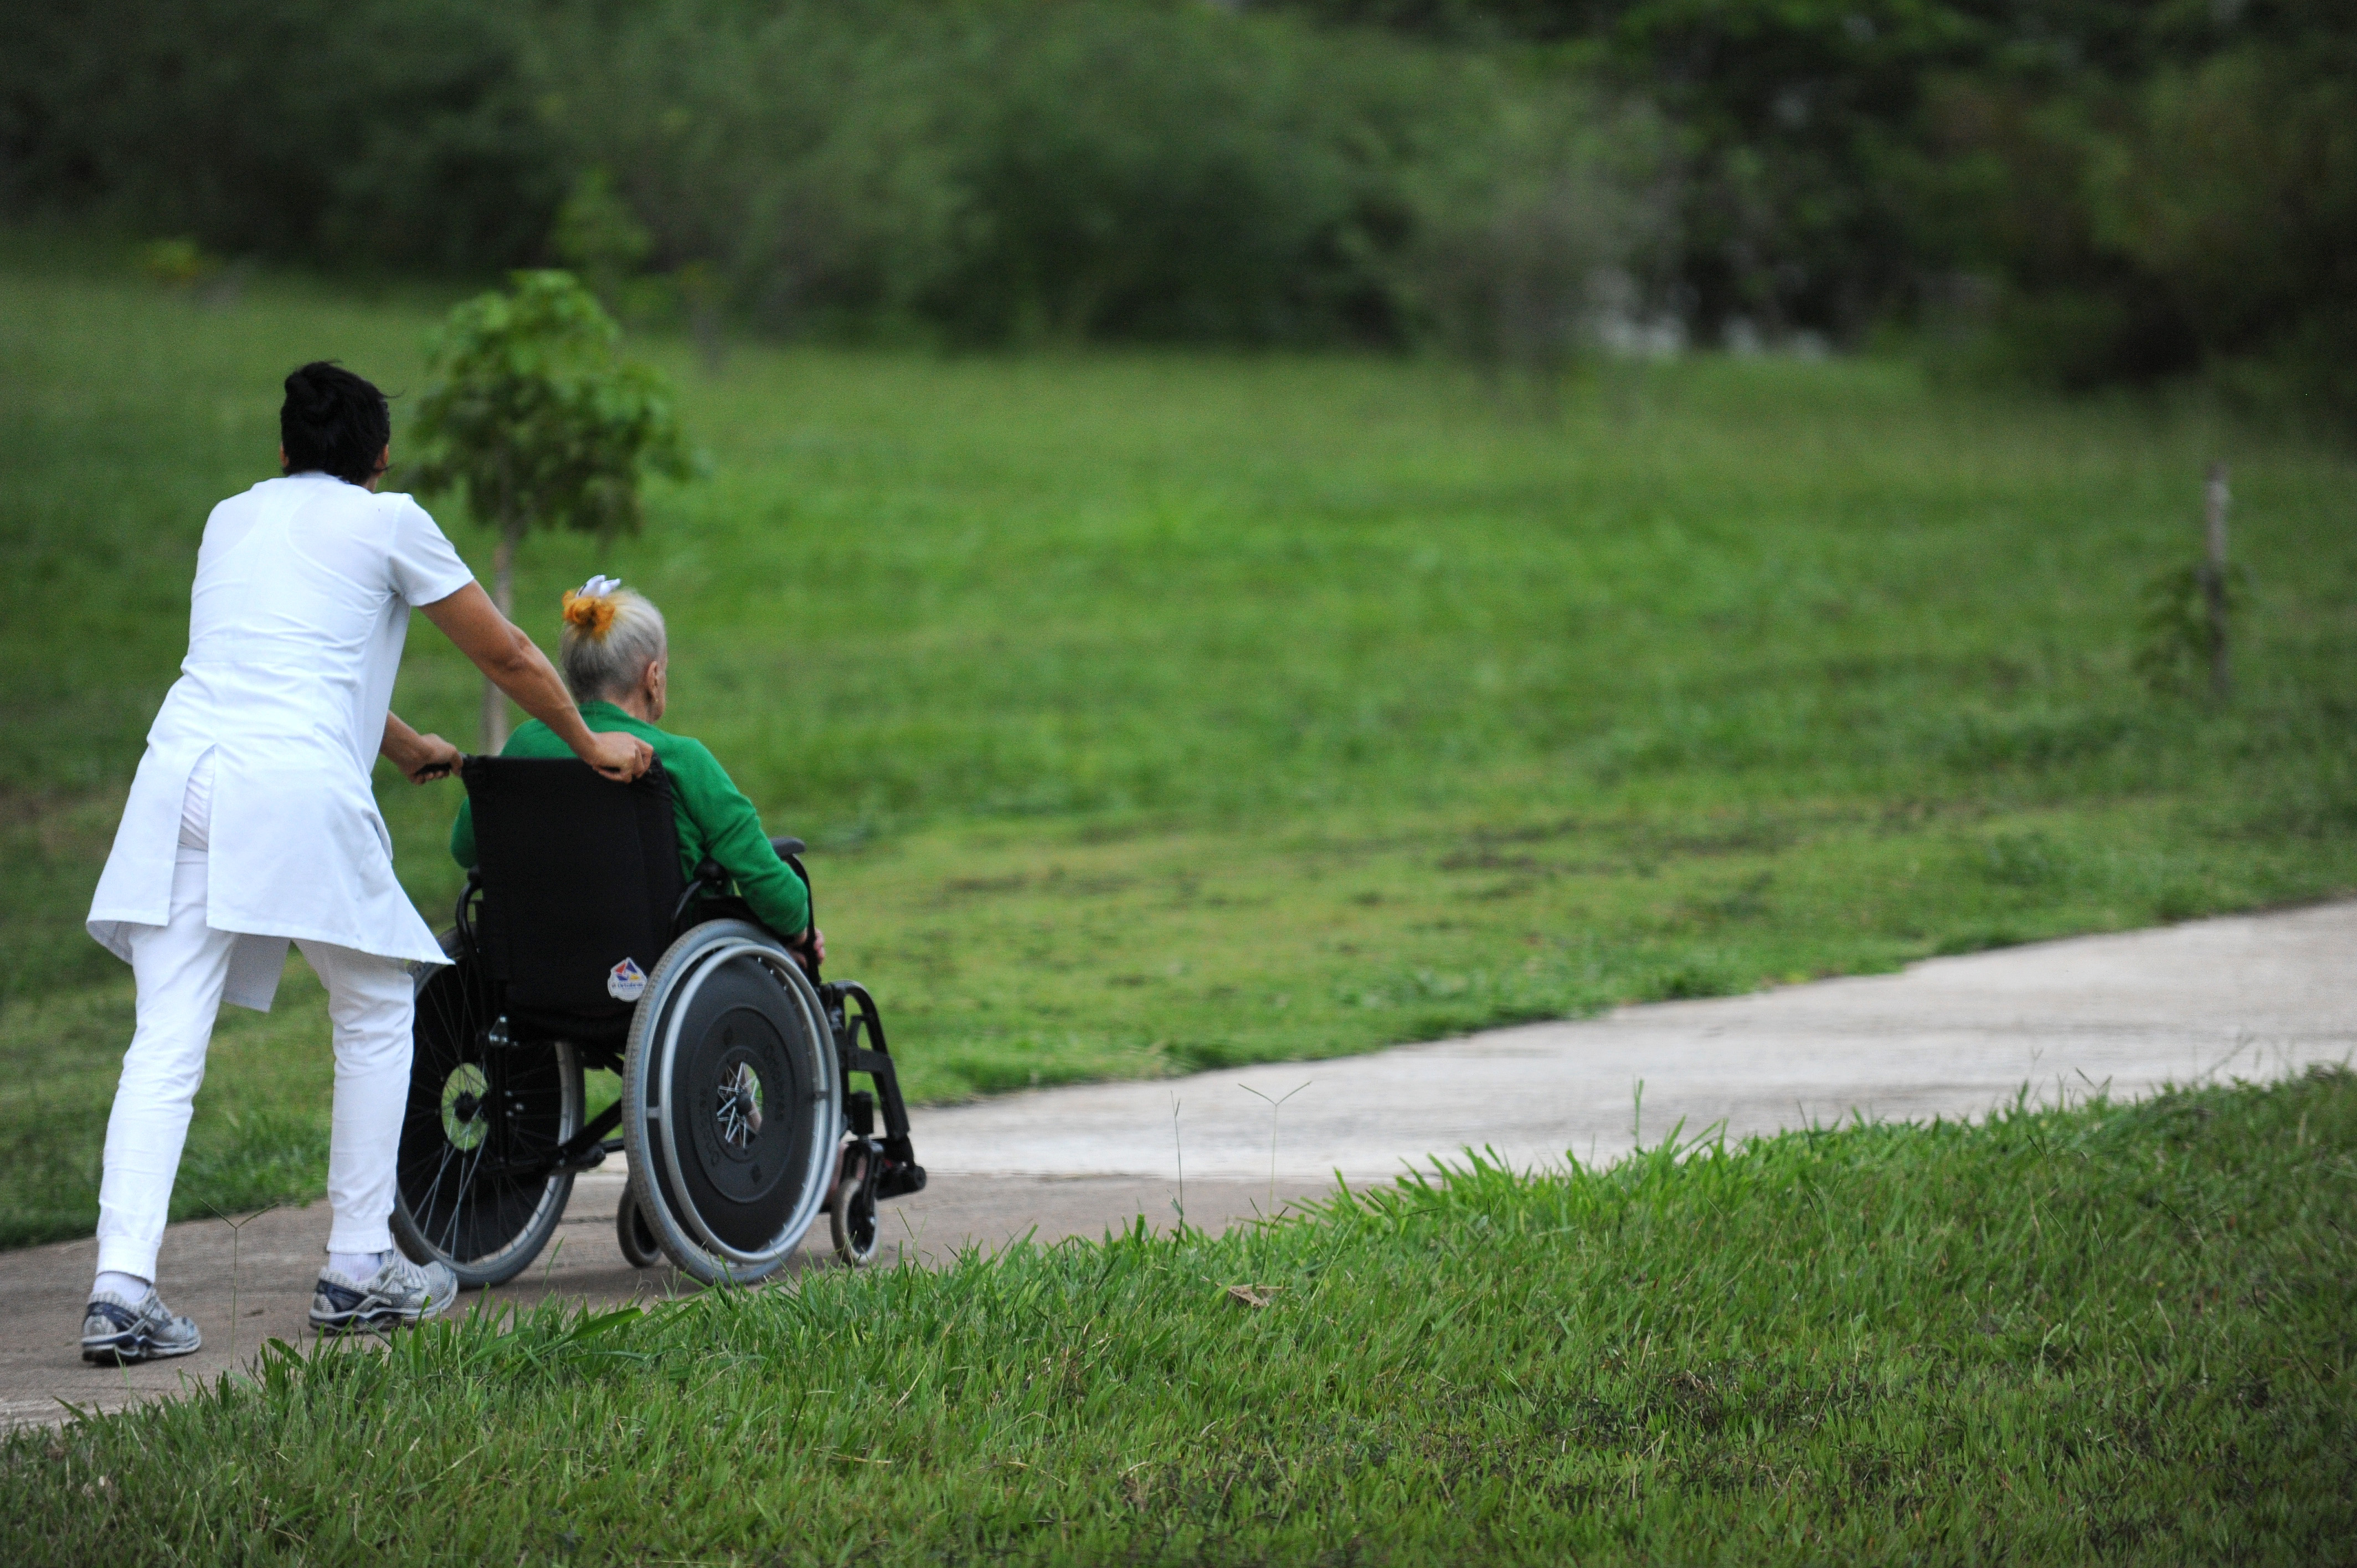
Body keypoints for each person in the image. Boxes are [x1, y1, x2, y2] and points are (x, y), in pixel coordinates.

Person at [79, 362, 652, 1364]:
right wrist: (588, 743)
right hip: (291, 783)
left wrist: (398, 743)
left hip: (183, 776)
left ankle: (120, 1289)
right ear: (379, 458)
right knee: (380, 1002)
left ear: (285, 450)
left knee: (165, 1036)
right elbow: (512, 654)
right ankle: (356, 1269)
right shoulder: (391, 522)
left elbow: (272, 657)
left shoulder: (231, 519)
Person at [448, 580, 822, 967]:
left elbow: (465, 848)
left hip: (539, 969)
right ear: (653, 676)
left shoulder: (525, 745)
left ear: (574, 677)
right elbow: (775, 894)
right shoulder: (683, 761)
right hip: (659, 972)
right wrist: (799, 932)